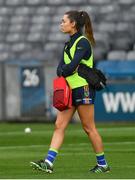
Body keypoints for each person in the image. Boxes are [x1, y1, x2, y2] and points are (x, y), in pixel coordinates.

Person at [30, 10, 110, 174]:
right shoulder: (68, 44)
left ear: (73, 24)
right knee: (59, 125)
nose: (61, 24)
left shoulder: (82, 42)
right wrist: (67, 70)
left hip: (83, 88)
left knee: (89, 128)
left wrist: (67, 70)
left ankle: (103, 165)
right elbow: (61, 70)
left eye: (63, 21)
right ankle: (48, 163)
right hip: (70, 89)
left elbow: (70, 66)